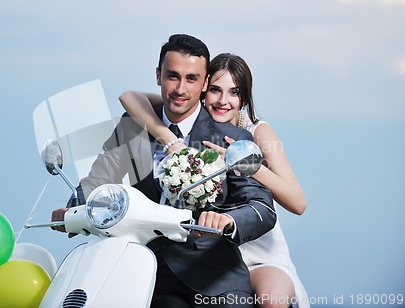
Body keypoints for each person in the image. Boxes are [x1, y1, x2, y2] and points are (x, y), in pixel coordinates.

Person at [52, 34, 277, 307]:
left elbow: (261, 207)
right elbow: (99, 179)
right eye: (173, 76)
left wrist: (228, 222)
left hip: (214, 278)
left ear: (205, 83)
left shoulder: (231, 137)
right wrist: (74, 208)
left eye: (192, 79)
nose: (181, 88)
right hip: (144, 271)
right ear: (158, 76)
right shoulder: (131, 127)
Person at [118, 53, 309, 308]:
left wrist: (243, 162)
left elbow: (298, 203)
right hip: (210, 249)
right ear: (204, 88)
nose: (223, 101)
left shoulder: (256, 131)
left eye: (234, 93)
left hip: (256, 247)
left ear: (244, 98)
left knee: (272, 300)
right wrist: (168, 138)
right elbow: (129, 97)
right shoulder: (191, 118)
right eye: (216, 90)